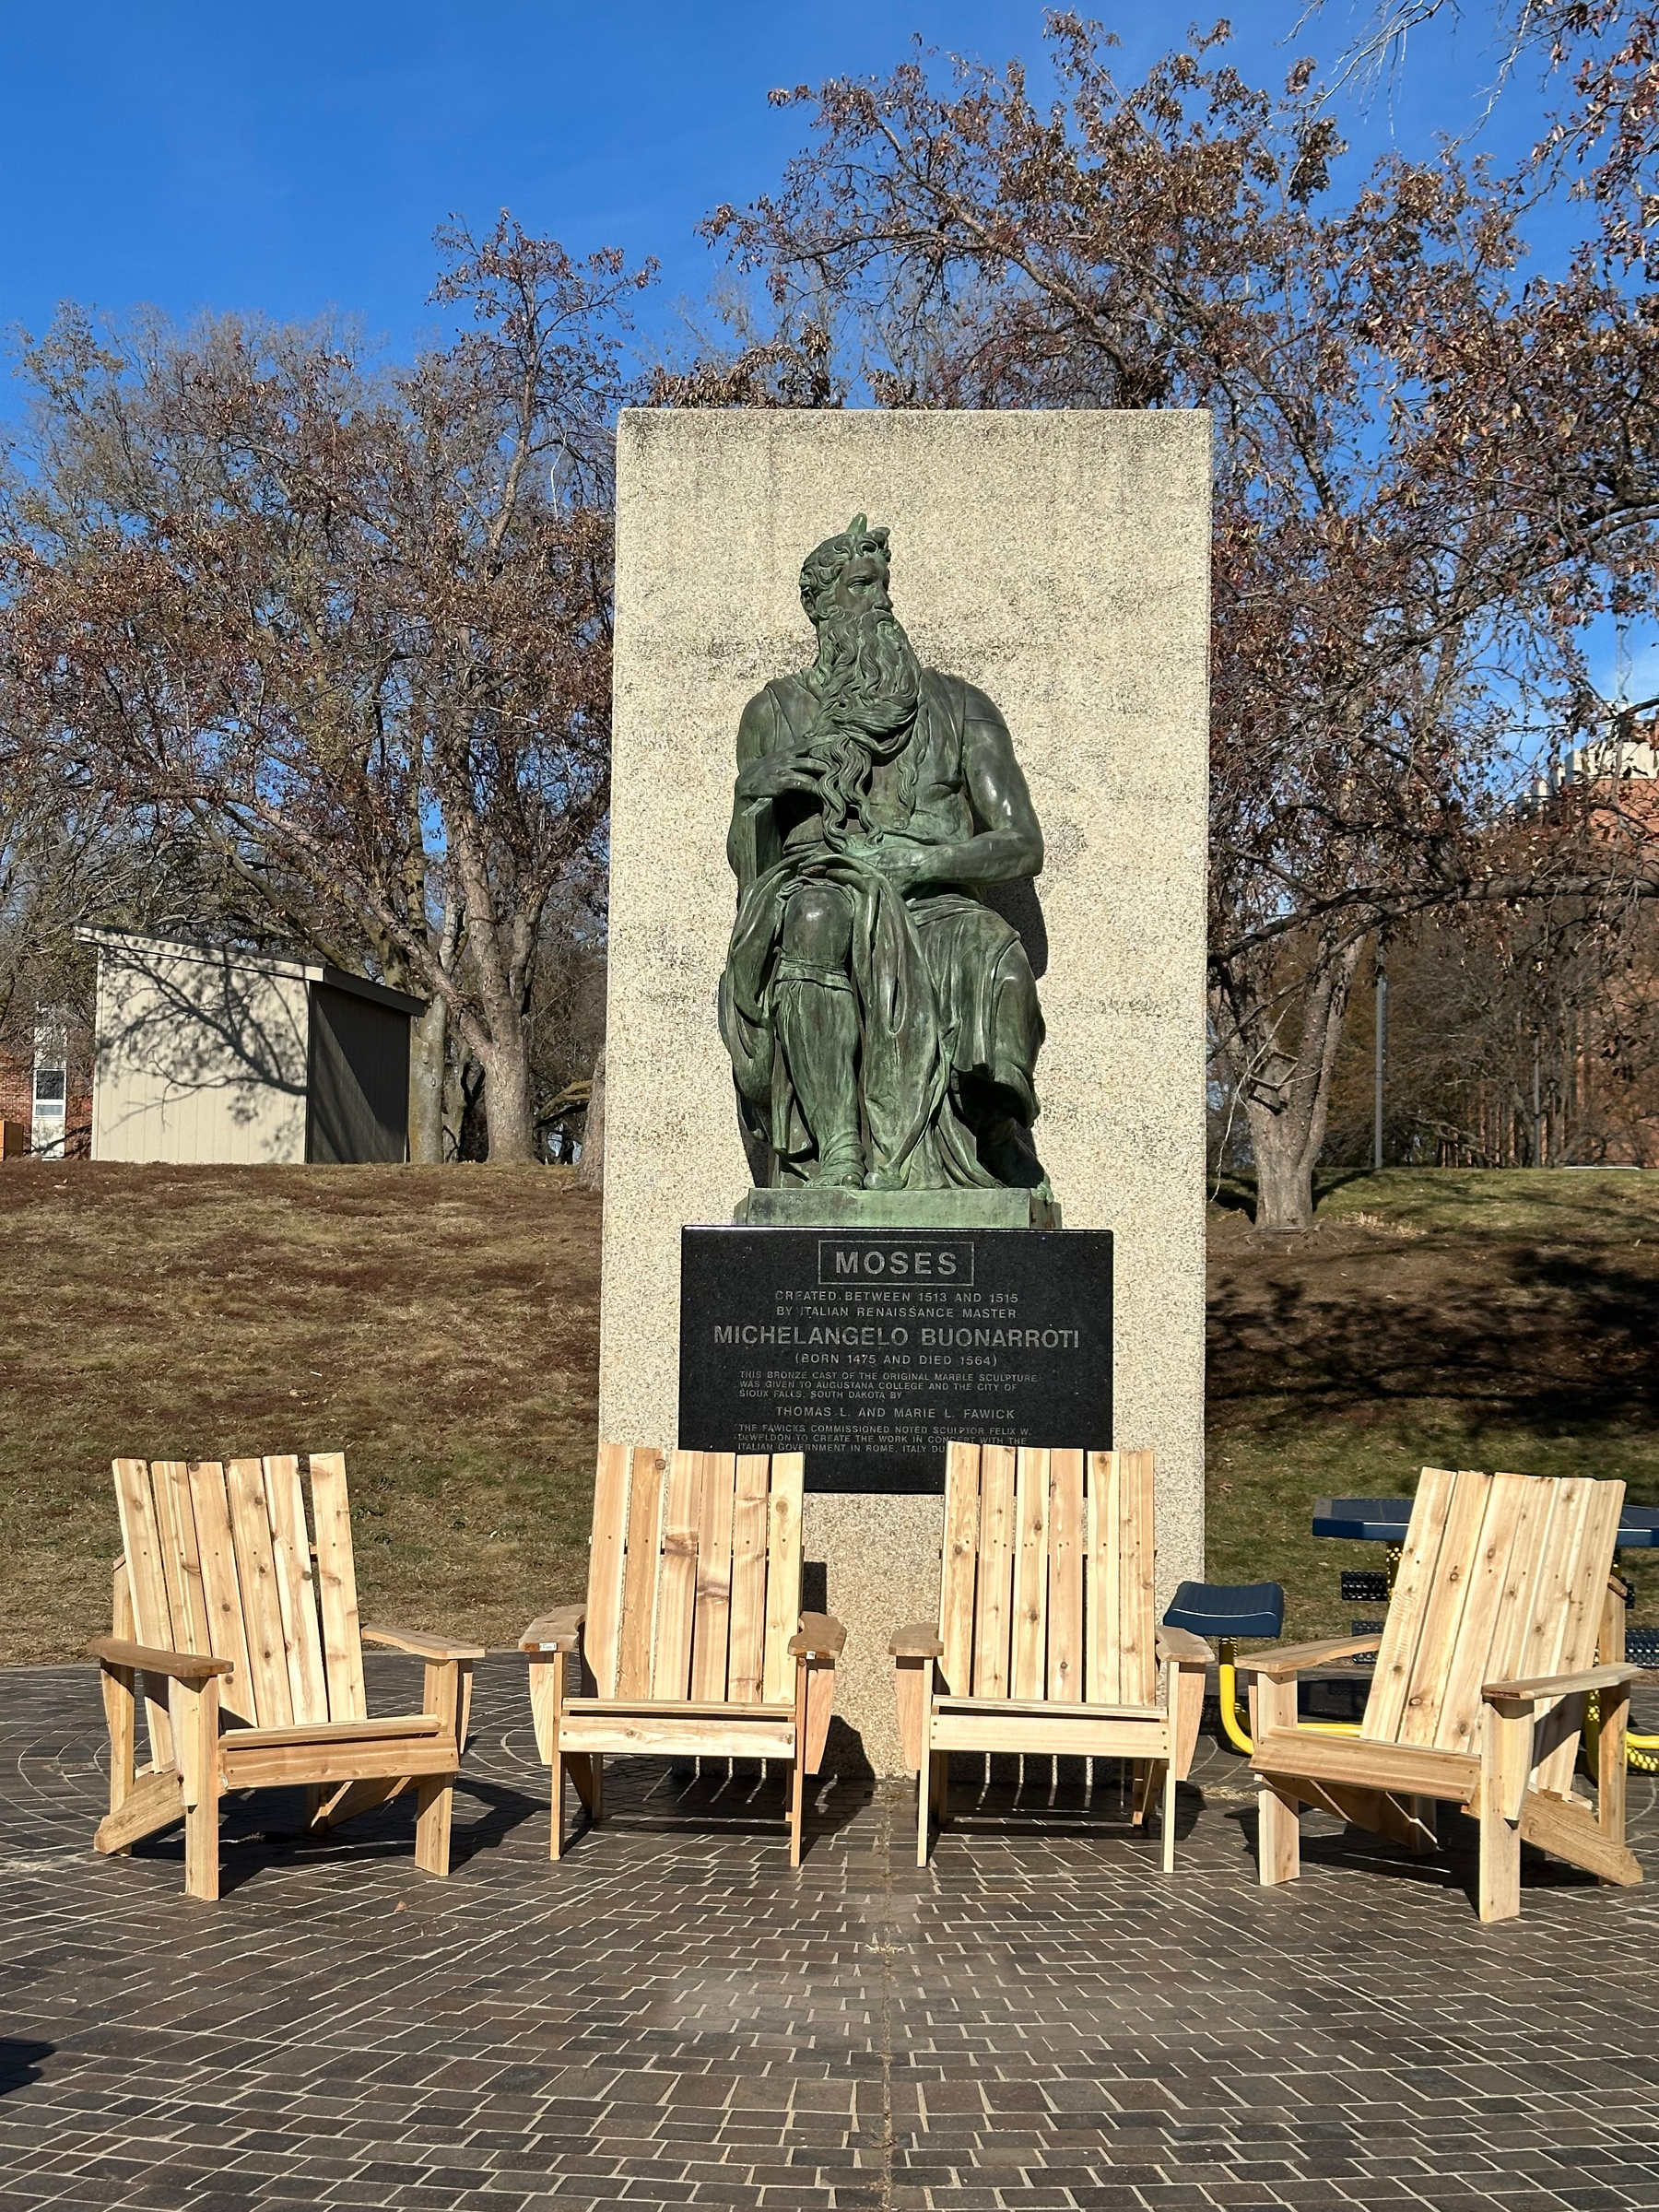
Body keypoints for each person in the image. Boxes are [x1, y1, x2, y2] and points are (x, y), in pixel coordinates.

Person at [719, 514, 1051, 1194]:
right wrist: (755, 794)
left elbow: (1022, 843)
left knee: (998, 954)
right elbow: (748, 868)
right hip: (824, 882)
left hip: (936, 898)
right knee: (813, 918)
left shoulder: (961, 706)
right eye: (862, 586)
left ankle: (992, 1133)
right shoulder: (774, 712)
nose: (882, 601)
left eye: (884, 586)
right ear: (819, 605)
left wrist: (927, 864)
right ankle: (839, 1147)